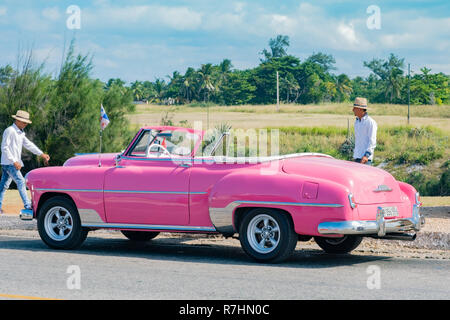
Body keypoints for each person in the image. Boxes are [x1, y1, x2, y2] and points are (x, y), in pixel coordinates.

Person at [0, 110, 50, 214]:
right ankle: (27, 206)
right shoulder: (10, 131)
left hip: (8, 163)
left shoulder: (20, 133)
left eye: (26, 122)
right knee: (21, 181)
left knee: (3, 186)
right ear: (17, 120)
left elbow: (29, 144)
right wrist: (14, 161)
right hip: (10, 163)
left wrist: (41, 154)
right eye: (24, 122)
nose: (25, 124)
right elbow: (4, 147)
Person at [352, 97, 377, 165]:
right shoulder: (357, 122)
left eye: (354, 108)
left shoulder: (370, 122)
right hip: (357, 157)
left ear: (360, 109)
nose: (352, 110)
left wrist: (366, 155)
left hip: (365, 159)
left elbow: (372, 141)